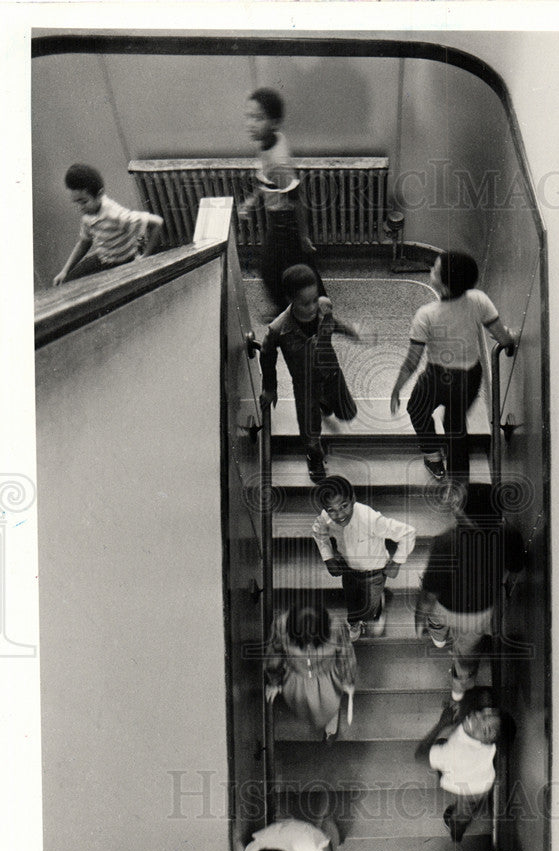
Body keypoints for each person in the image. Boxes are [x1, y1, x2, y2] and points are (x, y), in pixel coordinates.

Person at [390, 251, 517, 483]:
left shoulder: (426, 315)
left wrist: (397, 387)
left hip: (436, 377)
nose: (431, 271)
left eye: (434, 270)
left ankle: (433, 456)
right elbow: (501, 336)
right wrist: (510, 341)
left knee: (417, 410)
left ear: (444, 286)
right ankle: (459, 487)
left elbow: (412, 360)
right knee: (455, 429)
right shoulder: (479, 300)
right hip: (469, 378)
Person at [415, 481, 525, 701]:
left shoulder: (447, 542)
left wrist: (419, 617)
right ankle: (460, 686)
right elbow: (515, 568)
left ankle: (438, 635)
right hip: (479, 612)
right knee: (468, 653)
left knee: (436, 617)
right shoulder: (509, 535)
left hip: (446, 605)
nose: (454, 509)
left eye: (458, 506)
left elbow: (430, 593)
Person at [260, 264, 359, 483]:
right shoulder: (279, 329)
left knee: (347, 413)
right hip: (305, 385)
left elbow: (333, 323)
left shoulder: (323, 308)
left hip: (331, 373)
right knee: (310, 430)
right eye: (306, 303)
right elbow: (267, 356)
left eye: (315, 299)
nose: (313, 306)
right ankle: (314, 457)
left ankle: (326, 402)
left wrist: (350, 330)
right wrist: (270, 388)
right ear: (290, 300)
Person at [238, 87, 324, 309]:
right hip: (277, 218)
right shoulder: (269, 141)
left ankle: (287, 310)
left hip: (286, 221)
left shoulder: (279, 161)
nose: (250, 124)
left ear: (275, 123)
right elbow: (267, 180)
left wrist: (304, 237)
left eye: (258, 118)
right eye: (249, 117)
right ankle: (320, 304)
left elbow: (297, 199)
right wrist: (252, 200)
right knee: (299, 264)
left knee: (269, 268)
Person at [312, 476, 417, 641]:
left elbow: (408, 532)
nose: (339, 515)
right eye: (331, 509)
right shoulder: (325, 518)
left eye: (344, 506)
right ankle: (354, 623)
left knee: (369, 607)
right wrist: (329, 559)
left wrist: (396, 562)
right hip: (348, 568)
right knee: (351, 600)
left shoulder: (370, 519)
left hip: (374, 572)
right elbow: (319, 533)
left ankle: (378, 610)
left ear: (353, 499)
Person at [415, 687, 504, 841]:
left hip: (469, 785)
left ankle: (457, 831)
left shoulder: (454, 753)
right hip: (483, 776)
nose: (477, 716)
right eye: (484, 713)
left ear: (486, 739)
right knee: (442, 744)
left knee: (463, 813)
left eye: (486, 728)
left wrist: (442, 724)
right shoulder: (482, 733)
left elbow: (420, 755)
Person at [264, 595, 356, 741]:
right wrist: (274, 682)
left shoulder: (336, 626)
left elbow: (346, 654)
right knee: (302, 702)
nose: (308, 645)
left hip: (326, 675)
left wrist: (348, 680)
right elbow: (274, 653)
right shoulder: (280, 625)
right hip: (296, 676)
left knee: (328, 701)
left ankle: (332, 715)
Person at [53, 164, 163, 285]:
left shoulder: (115, 215)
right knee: (69, 279)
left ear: (99, 194)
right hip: (104, 259)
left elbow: (157, 222)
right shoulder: (88, 216)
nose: (80, 208)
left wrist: (145, 257)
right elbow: (84, 242)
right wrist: (65, 271)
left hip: (124, 262)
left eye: (83, 202)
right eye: (76, 203)